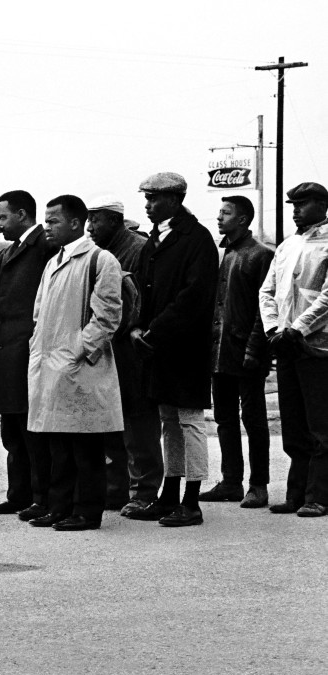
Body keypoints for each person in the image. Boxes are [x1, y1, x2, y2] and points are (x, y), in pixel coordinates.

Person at [25, 195, 124, 531]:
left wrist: (74, 353)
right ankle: (60, 505)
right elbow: (39, 313)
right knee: (59, 445)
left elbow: (108, 316)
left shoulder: (100, 260)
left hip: (79, 368)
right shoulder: (53, 262)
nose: (46, 227)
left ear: (74, 222)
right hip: (50, 366)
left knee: (85, 446)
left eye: (53, 221)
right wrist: (39, 348)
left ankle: (87, 511)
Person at [125, 172, 218, 528]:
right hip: (156, 347)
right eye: (146, 199)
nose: (147, 205)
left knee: (190, 421)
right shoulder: (154, 240)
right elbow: (144, 292)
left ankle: (191, 501)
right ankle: (169, 493)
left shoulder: (196, 238)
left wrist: (154, 329)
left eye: (153, 199)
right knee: (168, 422)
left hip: (185, 347)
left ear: (175, 199)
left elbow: (194, 296)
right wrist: (136, 327)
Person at [0, 190, 55, 519]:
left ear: (22, 215)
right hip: (6, 353)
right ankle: (18, 494)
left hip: (28, 351)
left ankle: (40, 497)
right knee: (13, 432)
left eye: (3, 217)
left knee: (32, 432)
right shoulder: (10, 252)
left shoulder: (44, 247)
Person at [86, 196, 160, 513]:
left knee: (138, 420)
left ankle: (144, 491)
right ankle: (116, 488)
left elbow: (148, 299)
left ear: (114, 220)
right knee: (111, 421)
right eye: (87, 219)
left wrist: (139, 329)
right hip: (108, 348)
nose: (90, 226)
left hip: (133, 349)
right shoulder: (99, 254)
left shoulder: (139, 249)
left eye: (96, 219)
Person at [200, 195, 273, 508]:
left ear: (243, 219)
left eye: (226, 212)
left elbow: (266, 306)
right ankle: (231, 481)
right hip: (221, 350)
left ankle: (259, 485)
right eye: (219, 211)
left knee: (254, 419)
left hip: (247, 350)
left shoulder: (260, 255)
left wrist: (255, 348)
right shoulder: (224, 253)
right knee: (224, 418)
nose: (219, 217)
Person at [260, 182, 328, 517]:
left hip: (317, 346)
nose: (295, 209)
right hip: (286, 344)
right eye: (293, 203)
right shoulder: (287, 245)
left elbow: (327, 298)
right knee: (293, 425)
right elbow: (267, 290)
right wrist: (274, 328)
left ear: (322, 205)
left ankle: (319, 495)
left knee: (320, 425)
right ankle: (296, 493)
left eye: (303, 203)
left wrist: (297, 329)